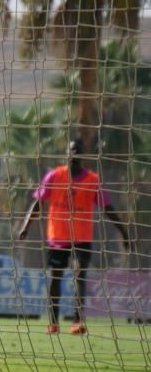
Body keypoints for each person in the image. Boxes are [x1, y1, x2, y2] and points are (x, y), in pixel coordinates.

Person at [17, 137, 132, 335]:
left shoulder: (93, 180)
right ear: (66, 153)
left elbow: (108, 208)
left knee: (80, 274)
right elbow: (38, 203)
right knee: (55, 278)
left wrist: (123, 231)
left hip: (82, 238)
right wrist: (26, 226)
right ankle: (53, 322)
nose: (74, 154)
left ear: (83, 155)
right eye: (71, 150)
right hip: (57, 237)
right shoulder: (54, 176)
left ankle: (78, 322)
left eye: (77, 151)